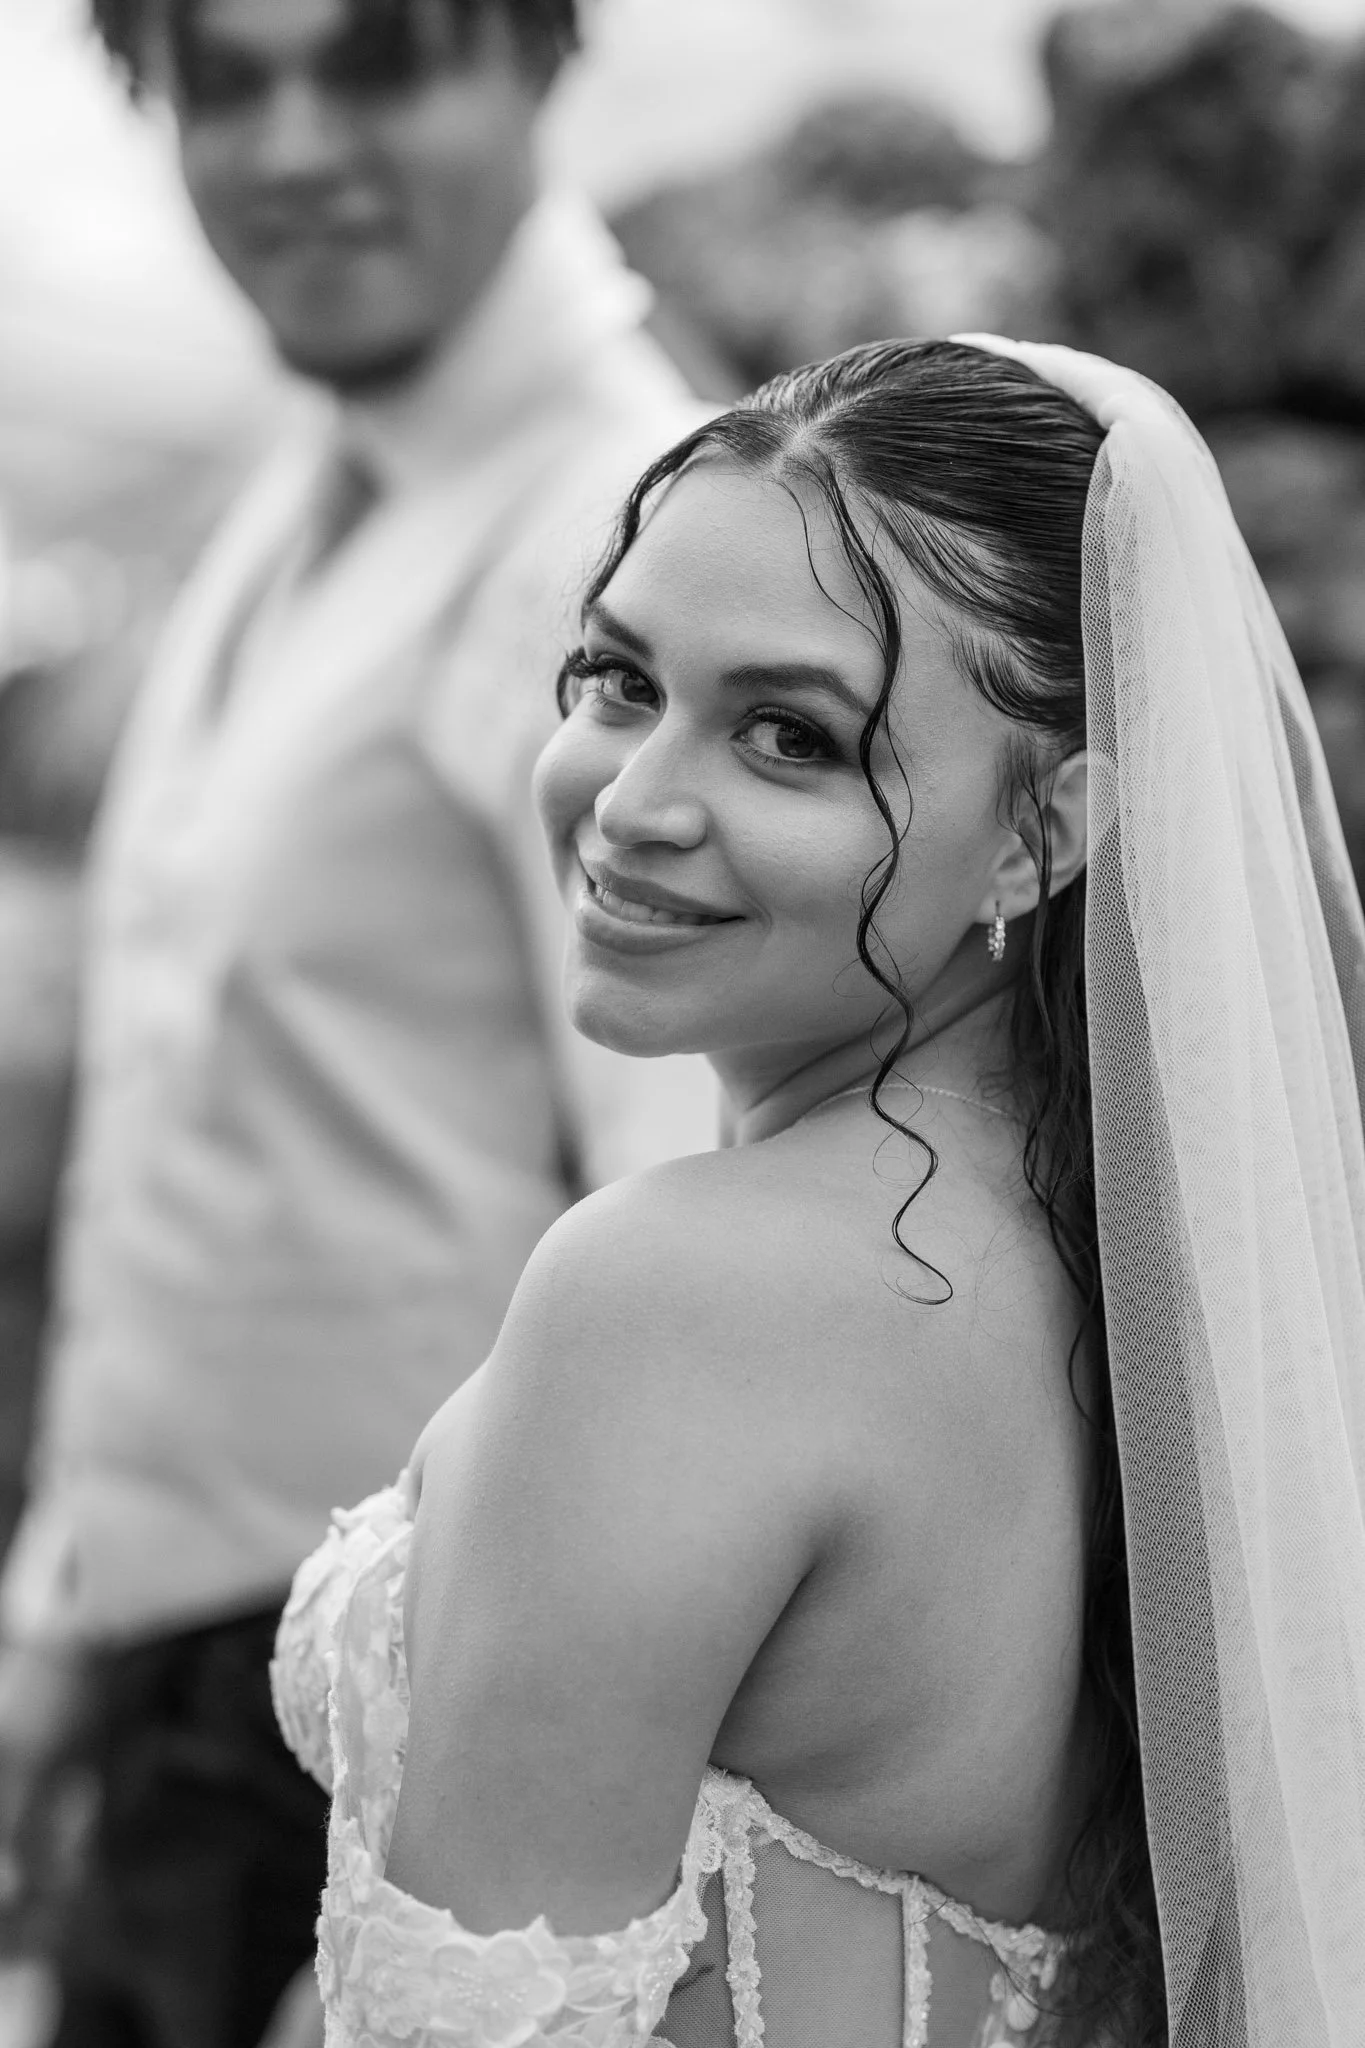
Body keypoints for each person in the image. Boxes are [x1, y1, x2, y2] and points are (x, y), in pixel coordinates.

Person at [273, 333, 1365, 2048]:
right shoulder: (1125, 1282)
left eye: (786, 736)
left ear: (1039, 836)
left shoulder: (686, 1300)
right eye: (620, 680)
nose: (631, 804)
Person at [0, 1, 717, 2043]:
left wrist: (463, 1896)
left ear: (546, 57)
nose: (294, 144)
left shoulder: (635, 544)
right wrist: (68, 1618)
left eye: (379, 61)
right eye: (224, 79)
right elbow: (201, 1133)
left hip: (407, 1757)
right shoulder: (308, 483)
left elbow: (697, 1250)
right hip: (190, 1717)